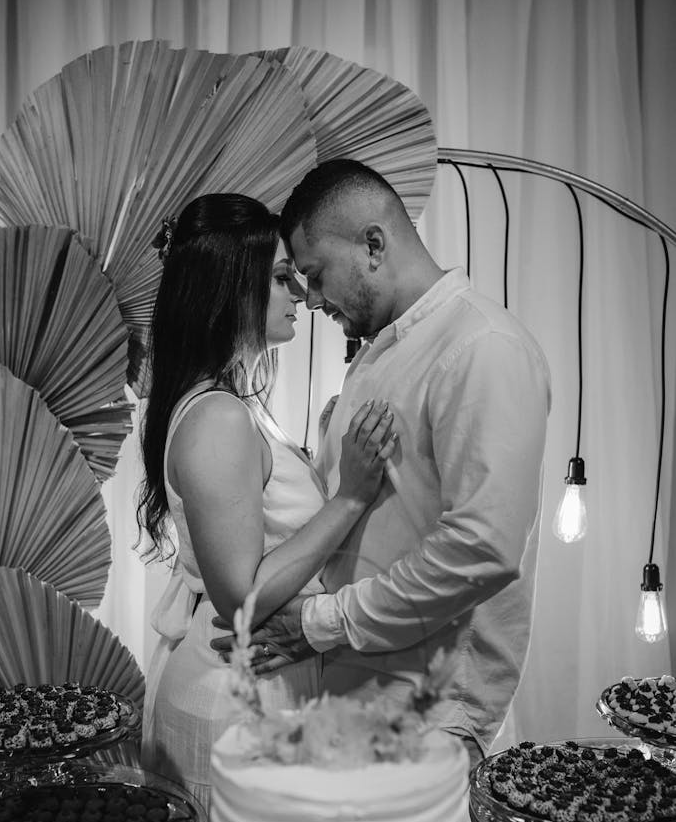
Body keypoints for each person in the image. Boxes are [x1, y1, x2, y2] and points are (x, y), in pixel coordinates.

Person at [214, 159, 552, 767]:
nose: (311, 300)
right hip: (357, 694)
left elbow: (481, 547)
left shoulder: (483, 348)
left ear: (373, 244)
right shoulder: (379, 354)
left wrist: (319, 621)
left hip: (426, 710)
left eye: (315, 275)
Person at [137, 192, 395, 809]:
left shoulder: (230, 404)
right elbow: (239, 595)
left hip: (254, 684)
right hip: (233, 697)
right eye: (282, 278)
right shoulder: (219, 416)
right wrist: (352, 496)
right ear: (231, 288)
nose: (304, 295)